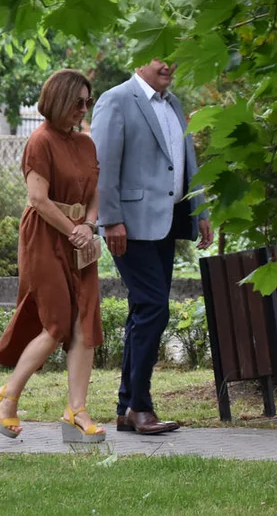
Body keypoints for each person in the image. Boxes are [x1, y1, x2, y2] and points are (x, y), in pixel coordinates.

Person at [90, 58, 213, 435]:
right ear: (140, 60)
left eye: (175, 58)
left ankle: (126, 406)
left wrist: (201, 208)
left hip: (168, 221)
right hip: (129, 225)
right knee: (155, 308)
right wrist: (110, 220)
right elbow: (103, 165)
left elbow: (187, 160)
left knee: (143, 309)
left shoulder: (172, 103)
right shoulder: (116, 100)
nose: (170, 65)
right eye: (162, 57)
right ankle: (140, 406)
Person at [0, 69, 106, 443]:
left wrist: (88, 225)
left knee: (85, 322)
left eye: (88, 102)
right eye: (78, 102)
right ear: (58, 100)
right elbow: (38, 199)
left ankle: (77, 411)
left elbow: (94, 192)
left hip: (79, 238)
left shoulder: (86, 143)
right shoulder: (39, 141)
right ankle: (7, 396)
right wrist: (73, 230)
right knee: (56, 323)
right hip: (45, 236)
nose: (84, 109)